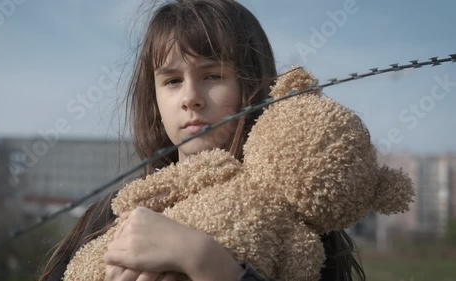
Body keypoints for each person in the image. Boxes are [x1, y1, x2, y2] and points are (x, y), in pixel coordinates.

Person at [39, 0, 366, 280]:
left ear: (252, 86)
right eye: (172, 80)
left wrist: (205, 260)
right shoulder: (105, 217)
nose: (191, 98)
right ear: (154, 99)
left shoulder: (301, 226)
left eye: (213, 75)